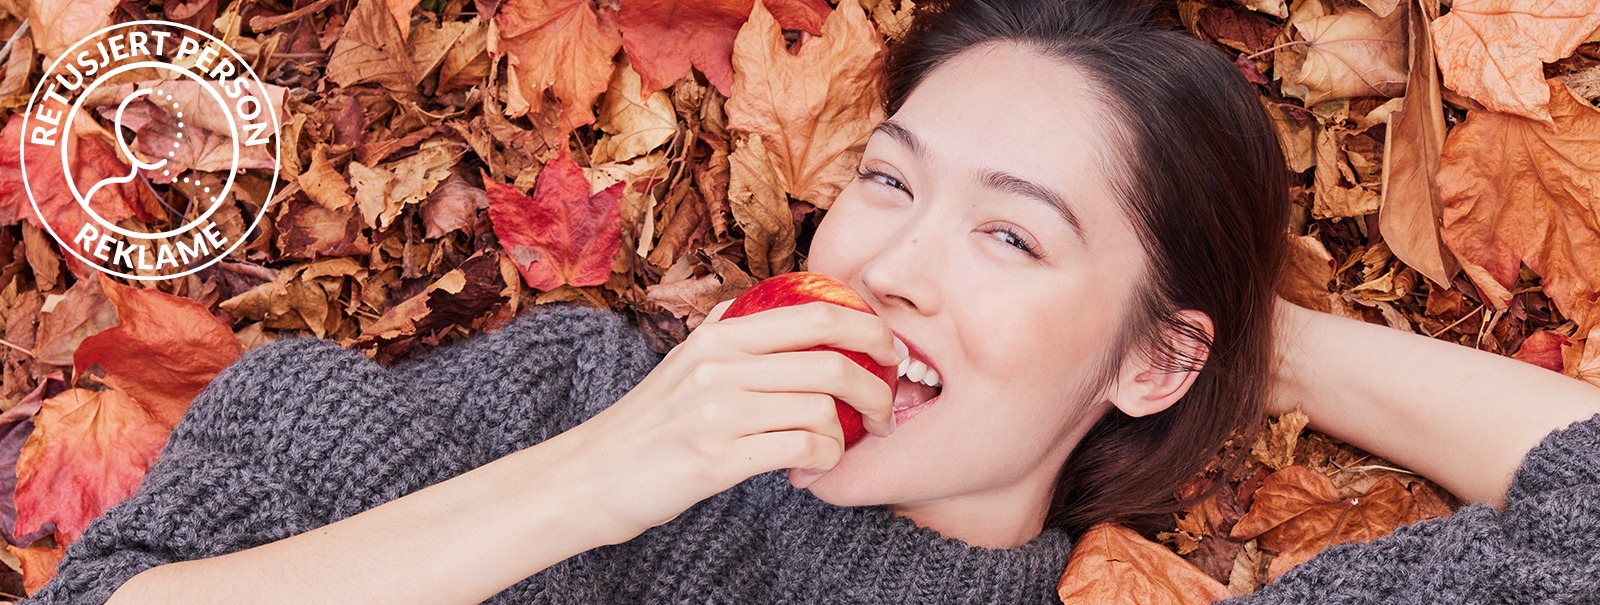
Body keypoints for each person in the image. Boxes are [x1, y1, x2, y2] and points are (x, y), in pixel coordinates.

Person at [28, 0, 1600, 603]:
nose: (893, 263)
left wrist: (1245, 341)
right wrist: (598, 478)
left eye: (1013, 238)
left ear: (1150, 355)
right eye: (894, 183)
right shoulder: (564, 398)